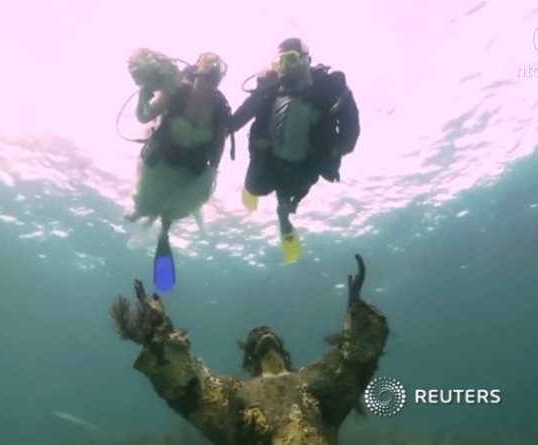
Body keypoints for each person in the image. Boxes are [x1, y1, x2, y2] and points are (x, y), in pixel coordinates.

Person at [109, 254, 389, 445]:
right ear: (251, 354)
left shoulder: (315, 381)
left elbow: (353, 361)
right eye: (256, 334)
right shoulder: (235, 394)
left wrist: (356, 306)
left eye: (269, 332)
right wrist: (160, 330)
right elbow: (193, 388)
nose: (264, 333)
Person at [229, 38, 360, 263]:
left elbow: (351, 134)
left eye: (292, 59)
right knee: (254, 187)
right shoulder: (269, 90)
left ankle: (284, 215)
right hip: (268, 161)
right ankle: (267, 200)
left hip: (306, 165)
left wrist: (333, 150)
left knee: (289, 198)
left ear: (306, 61)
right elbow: (235, 122)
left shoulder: (329, 90)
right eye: (280, 61)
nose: (286, 66)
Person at [124, 49, 233, 292]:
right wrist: (143, 95)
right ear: (195, 75)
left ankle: (163, 236)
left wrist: (211, 174)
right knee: (146, 204)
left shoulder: (219, 109)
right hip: (160, 163)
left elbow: (219, 146)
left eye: (213, 81)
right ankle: (143, 214)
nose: (207, 85)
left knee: (170, 213)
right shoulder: (176, 94)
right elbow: (144, 116)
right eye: (204, 78)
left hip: (189, 172)